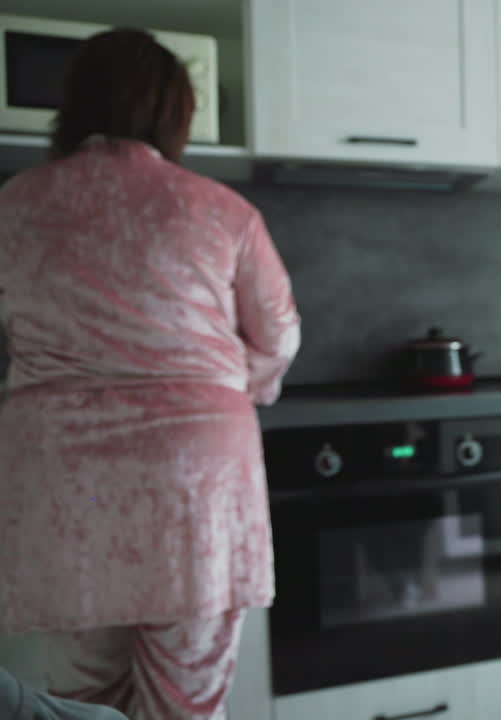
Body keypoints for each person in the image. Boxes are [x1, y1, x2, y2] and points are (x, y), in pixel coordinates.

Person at [0, 28, 300, 720]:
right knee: (188, 701)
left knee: (80, 700)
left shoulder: (14, 202)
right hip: (194, 475)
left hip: (62, 476)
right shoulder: (221, 209)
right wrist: (234, 384)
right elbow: (280, 333)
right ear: (176, 114)